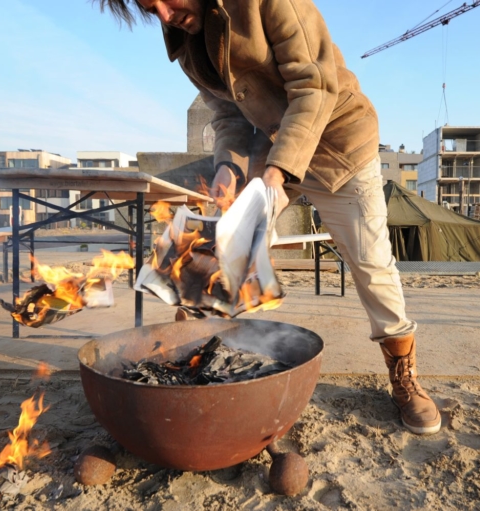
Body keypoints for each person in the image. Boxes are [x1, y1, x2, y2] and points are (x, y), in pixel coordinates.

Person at [97, 0, 441, 435]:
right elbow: (226, 115)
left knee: (370, 263)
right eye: (151, 8)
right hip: (274, 148)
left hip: (339, 148)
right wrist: (230, 169)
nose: (165, 15)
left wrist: (277, 173)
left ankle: (404, 376)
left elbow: (314, 87)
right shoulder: (185, 41)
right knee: (216, 241)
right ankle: (200, 358)